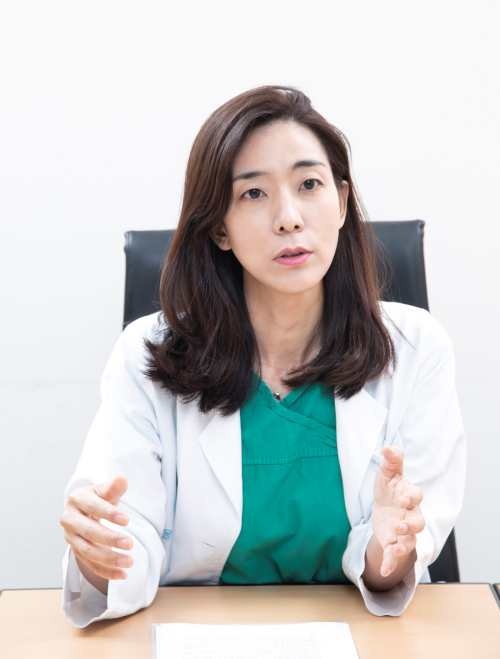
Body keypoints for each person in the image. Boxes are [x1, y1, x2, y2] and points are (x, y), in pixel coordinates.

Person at [59, 84, 466, 629]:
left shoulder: (415, 349)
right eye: (253, 193)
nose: (289, 218)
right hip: (199, 636)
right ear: (219, 227)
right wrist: (99, 553)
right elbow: (123, 537)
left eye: (309, 184)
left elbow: (393, 563)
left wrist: (389, 549)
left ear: (342, 202)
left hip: (362, 637)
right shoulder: (146, 354)